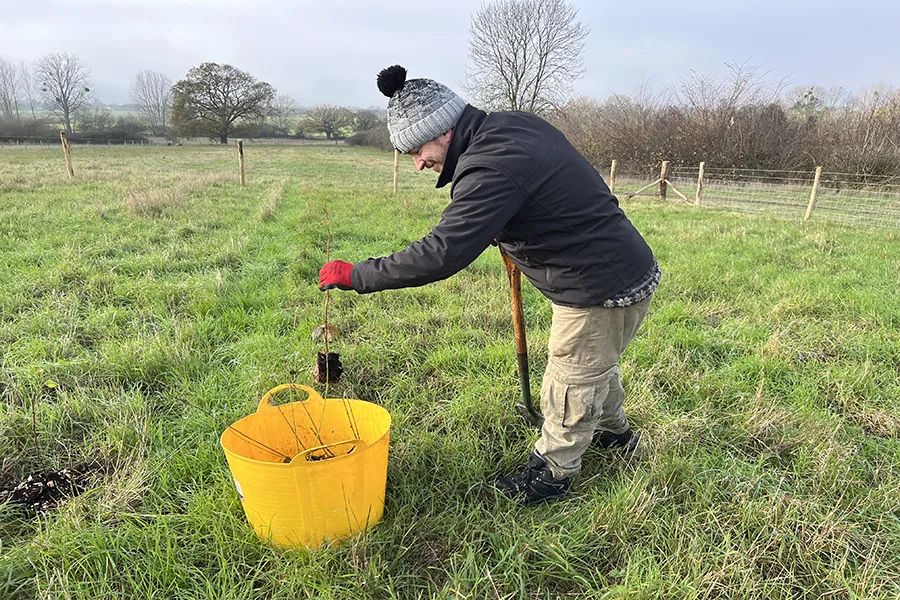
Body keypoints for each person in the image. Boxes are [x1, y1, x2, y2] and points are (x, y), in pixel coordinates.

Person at [318, 65, 661, 505]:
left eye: (416, 150)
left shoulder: (490, 167)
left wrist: (357, 275)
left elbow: (443, 252)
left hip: (597, 286)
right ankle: (617, 436)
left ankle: (554, 471)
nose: (418, 163)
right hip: (619, 265)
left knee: (573, 372)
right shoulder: (511, 125)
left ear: (443, 131)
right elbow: (543, 191)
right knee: (595, 363)